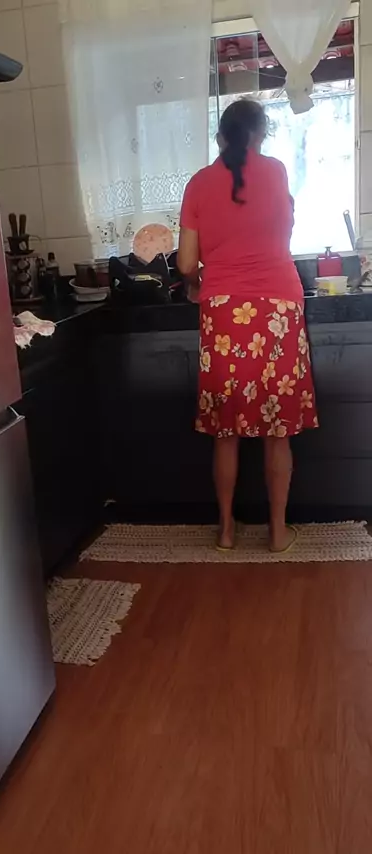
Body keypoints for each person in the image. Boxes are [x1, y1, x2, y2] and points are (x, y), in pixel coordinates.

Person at [178, 98, 318, 553]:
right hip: (279, 307)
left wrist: (196, 286)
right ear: (261, 135)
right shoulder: (276, 172)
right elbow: (281, 230)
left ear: (221, 137)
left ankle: (225, 530)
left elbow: (186, 263)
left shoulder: (199, 183)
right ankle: (277, 532)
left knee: (226, 429)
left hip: (223, 311)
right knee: (278, 429)